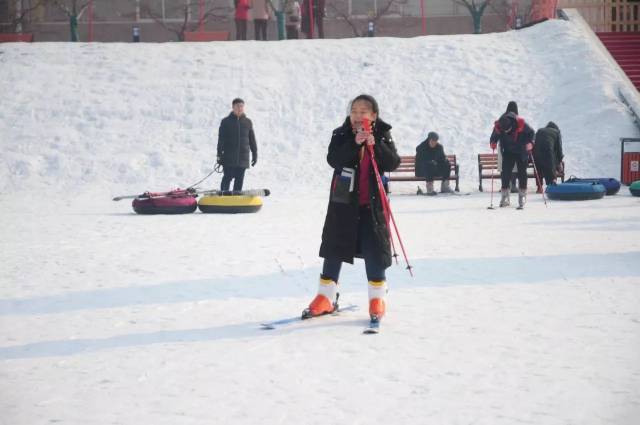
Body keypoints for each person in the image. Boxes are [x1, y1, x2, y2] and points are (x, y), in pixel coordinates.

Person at [304, 94, 400, 324]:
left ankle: (377, 298)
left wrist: (375, 146)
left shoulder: (383, 135)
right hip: (343, 205)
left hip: (372, 206)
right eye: (354, 111)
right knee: (334, 248)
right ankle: (326, 296)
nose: (358, 116)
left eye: (363, 111)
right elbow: (334, 159)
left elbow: (393, 163)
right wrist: (354, 143)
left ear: (373, 115)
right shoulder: (341, 134)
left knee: (375, 251)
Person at [490, 110, 535, 208]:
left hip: (521, 150)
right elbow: (494, 136)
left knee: (522, 173)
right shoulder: (499, 126)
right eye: (504, 131)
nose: (506, 132)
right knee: (505, 172)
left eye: (508, 130)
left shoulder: (521, 124)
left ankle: (522, 195)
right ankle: (505, 197)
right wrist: (493, 142)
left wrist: (531, 143)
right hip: (508, 151)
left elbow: (532, 133)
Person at [216, 98, 258, 191]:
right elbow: (221, 139)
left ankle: (236, 200)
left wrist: (255, 154)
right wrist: (219, 154)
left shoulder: (248, 122)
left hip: (243, 158)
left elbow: (252, 140)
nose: (240, 108)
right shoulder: (225, 122)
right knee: (227, 178)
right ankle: (223, 198)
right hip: (229, 157)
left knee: (239, 180)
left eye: (241, 106)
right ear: (233, 107)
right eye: (237, 106)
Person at [415, 131, 454, 196]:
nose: (434, 142)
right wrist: (431, 161)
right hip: (422, 171)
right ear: (428, 139)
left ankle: (445, 186)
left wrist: (444, 160)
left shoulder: (439, 147)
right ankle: (430, 188)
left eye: (435, 141)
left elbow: (442, 158)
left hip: (434, 169)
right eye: (432, 140)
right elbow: (420, 162)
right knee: (430, 164)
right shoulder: (421, 147)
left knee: (447, 164)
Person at [533, 121, 564, 187]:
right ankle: (552, 184)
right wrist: (560, 161)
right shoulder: (556, 132)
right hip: (548, 153)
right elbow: (559, 149)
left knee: (538, 168)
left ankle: (539, 187)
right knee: (551, 165)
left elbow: (534, 142)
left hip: (536, 153)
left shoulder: (539, 131)